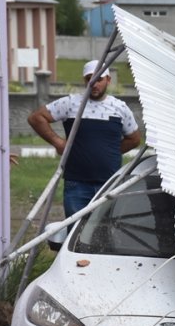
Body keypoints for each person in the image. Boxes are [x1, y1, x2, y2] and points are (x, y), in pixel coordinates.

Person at [28, 60, 142, 217]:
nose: (94, 84)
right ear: (85, 81)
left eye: (99, 79)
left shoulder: (120, 108)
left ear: (108, 80)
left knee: (105, 231)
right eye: (90, 79)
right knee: (75, 231)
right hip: (76, 184)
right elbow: (36, 118)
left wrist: (110, 152)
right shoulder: (71, 103)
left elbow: (134, 139)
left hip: (109, 183)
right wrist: (58, 143)